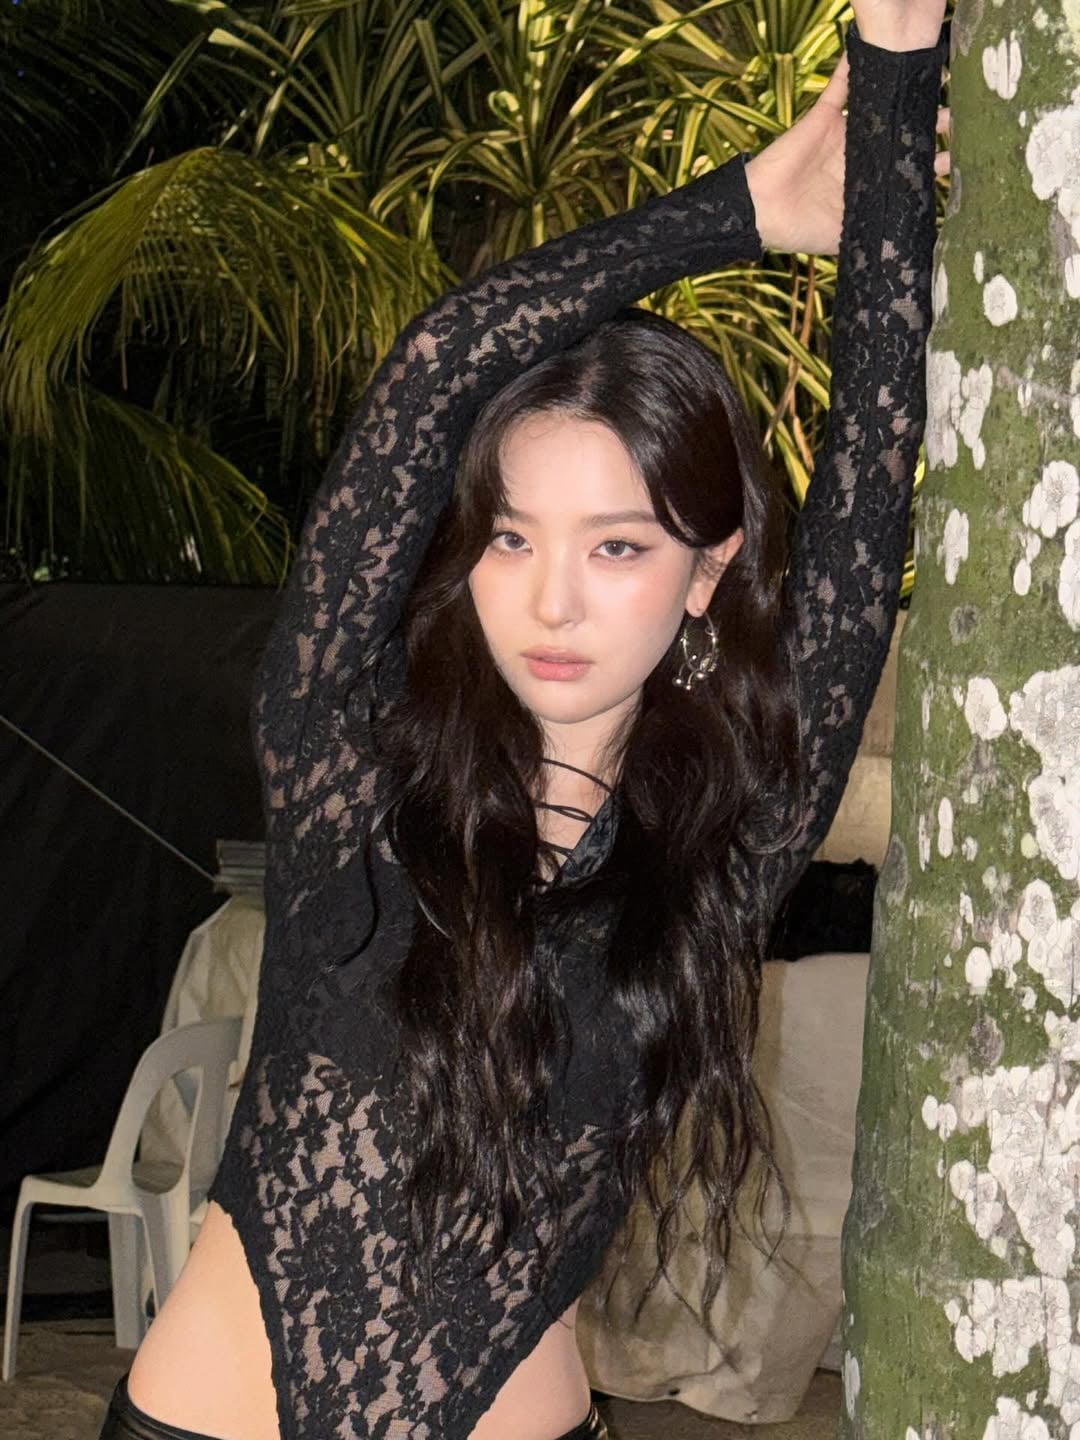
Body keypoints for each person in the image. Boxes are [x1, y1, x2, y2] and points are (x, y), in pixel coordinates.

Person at [106, 4, 949, 1438]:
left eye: (618, 547)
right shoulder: (344, 764)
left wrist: (897, 58)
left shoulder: (726, 845)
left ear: (706, 574)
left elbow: (870, 479)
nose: (552, 600)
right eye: (512, 538)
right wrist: (741, 210)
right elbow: (438, 366)